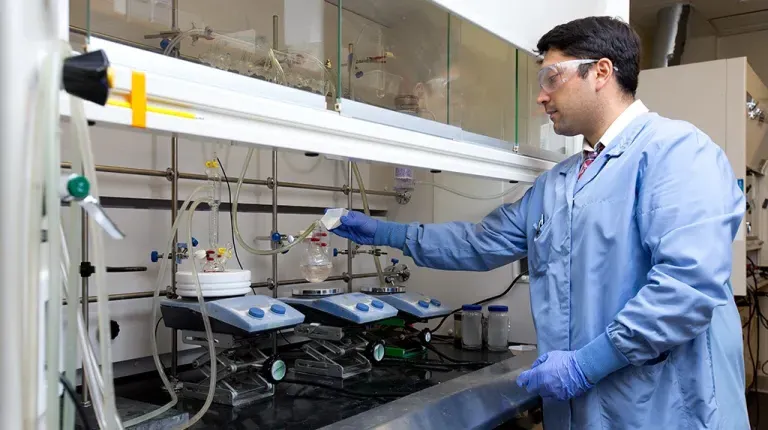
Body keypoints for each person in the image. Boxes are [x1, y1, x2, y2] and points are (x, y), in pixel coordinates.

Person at [329, 16, 750, 430]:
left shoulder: (676, 151)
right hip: (583, 409)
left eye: (552, 78)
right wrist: (385, 232)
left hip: (665, 408)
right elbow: (479, 243)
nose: (541, 97)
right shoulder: (559, 182)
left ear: (601, 72)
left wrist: (587, 364)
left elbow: (686, 288)